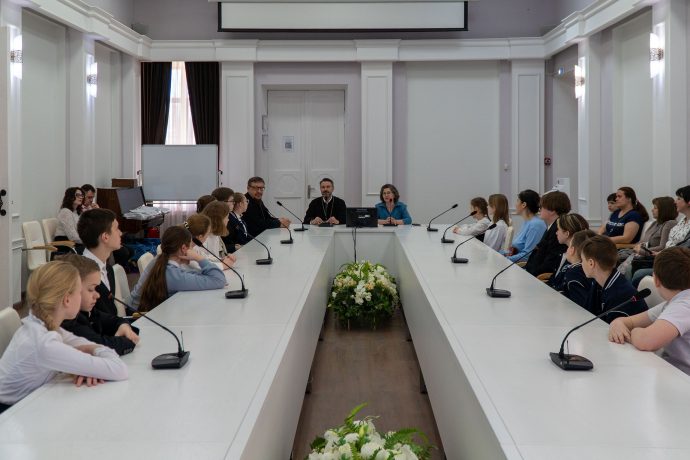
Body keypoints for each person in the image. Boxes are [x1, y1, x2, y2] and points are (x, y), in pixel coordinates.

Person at [0, 262, 128, 413]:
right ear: (67, 300)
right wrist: (92, 355)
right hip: (8, 415)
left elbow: (83, 345)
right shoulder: (45, 343)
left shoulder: (40, 325)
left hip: (22, 406)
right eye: (79, 292)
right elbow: (120, 370)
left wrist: (89, 363)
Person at [608, 247, 690, 375]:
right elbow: (630, 321)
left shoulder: (684, 305)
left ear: (656, 280)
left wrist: (631, 332)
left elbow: (646, 341)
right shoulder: (673, 303)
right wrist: (618, 323)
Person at [130, 226, 226, 311]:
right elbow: (218, 279)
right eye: (190, 247)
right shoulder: (172, 275)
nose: (191, 250)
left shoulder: (160, 260)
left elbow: (195, 275)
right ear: (183, 248)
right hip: (140, 317)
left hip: (145, 310)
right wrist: (198, 258)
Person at [59, 254, 140, 356]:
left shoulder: (87, 312)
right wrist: (127, 340)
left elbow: (114, 320)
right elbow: (101, 346)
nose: (97, 295)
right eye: (91, 289)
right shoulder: (68, 322)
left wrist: (124, 326)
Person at [630, 187, 690, 287]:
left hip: (677, 264)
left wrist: (661, 254)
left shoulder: (671, 223)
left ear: (688, 202)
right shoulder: (682, 221)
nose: (675, 202)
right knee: (632, 267)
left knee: (638, 274)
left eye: (679, 199)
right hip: (666, 260)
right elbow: (670, 244)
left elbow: (684, 249)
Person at [581, 235, 648, 323]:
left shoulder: (620, 296)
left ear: (591, 263)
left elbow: (611, 329)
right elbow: (587, 314)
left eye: (582, 260)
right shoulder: (598, 284)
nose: (581, 264)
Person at [77, 209, 122, 317]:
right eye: (117, 229)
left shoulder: (108, 269)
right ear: (105, 237)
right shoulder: (81, 274)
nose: (120, 233)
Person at [523, 191, 572, 276]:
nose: (539, 209)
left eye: (542, 207)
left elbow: (550, 263)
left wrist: (529, 275)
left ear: (552, 210)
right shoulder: (552, 226)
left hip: (540, 277)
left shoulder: (558, 230)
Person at [549, 228, 595, 308]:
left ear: (572, 250)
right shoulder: (586, 269)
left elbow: (579, 305)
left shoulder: (574, 273)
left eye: (569, 246)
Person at [502, 189, 546, 262]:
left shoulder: (535, 225)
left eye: (517, 201)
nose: (515, 204)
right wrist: (502, 254)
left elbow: (528, 255)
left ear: (524, 205)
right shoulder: (528, 222)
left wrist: (505, 259)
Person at [546, 213, 589, 285]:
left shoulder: (576, 259)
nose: (556, 233)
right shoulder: (563, 252)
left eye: (558, 229)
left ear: (567, 234)